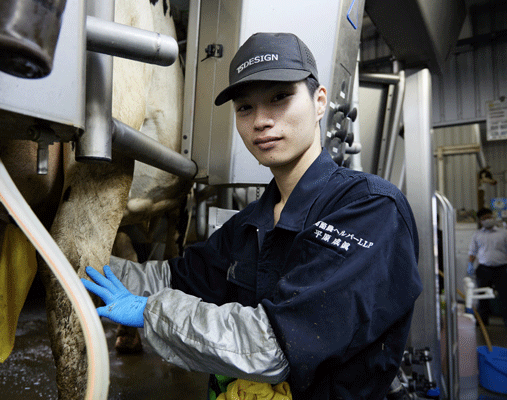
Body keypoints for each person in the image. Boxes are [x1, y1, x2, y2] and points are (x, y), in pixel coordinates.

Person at [82, 32, 422, 399]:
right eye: (245, 107)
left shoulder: (369, 209)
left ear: (319, 101)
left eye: (279, 97)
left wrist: (153, 313)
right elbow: (173, 279)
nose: (261, 120)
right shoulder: (248, 224)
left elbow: (272, 345)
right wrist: (73, 260)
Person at [468, 207, 507, 327]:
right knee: (482, 299)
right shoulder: (477, 235)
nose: (487, 220)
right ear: (480, 221)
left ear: (493, 217)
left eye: (489, 217)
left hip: (502, 269)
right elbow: (472, 252)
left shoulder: (503, 233)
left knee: (505, 297)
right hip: (484, 269)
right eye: (484, 218)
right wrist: (470, 265)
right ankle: (482, 323)